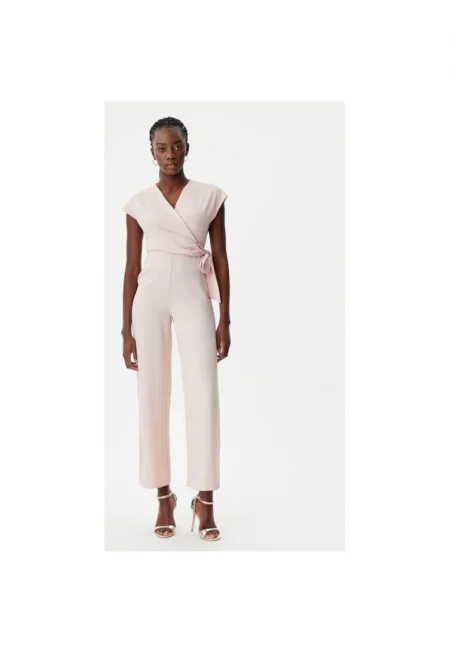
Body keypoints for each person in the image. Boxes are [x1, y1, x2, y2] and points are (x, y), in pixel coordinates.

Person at [121, 116, 231, 541]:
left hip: (193, 294)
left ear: (188, 146)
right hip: (149, 298)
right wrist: (125, 329)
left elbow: (220, 257)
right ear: (151, 153)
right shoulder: (138, 203)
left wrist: (225, 317)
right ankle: (163, 496)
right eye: (162, 148)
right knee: (152, 393)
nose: (170, 154)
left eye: (177, 145)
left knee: (203, 392)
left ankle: (205, 500)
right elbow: (132, 265)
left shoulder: (210, 197)